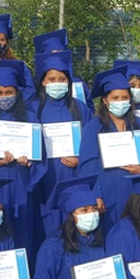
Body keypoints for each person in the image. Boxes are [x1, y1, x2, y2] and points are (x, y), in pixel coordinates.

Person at [79, 66, 140, 232]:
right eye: (115, 98)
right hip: (108, 193)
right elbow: (87, 166)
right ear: (105, 100)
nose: (120, 101)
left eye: (124, 97)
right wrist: (96, 194)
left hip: (137, 192)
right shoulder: (94, 128)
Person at [0, 60, 46, 255]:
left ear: (17, 93)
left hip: (22, 184)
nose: (4, 97)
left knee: (23, 234)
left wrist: (30, 163)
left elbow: (41, 159)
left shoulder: (31, 118)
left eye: (9, 92)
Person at [31, 51, 94, 238]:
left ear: (69, 82)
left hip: (73, 176)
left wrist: (80, 161)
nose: (57, 83)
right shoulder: (33, 108)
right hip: (45, 178)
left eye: (62, 79)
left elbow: (91, 143)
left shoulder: (79, 107)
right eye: (52, 79)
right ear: (43, 82)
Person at [34, 29, 94, 112]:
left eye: (61, 53)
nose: (57, 57)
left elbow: (90, 111)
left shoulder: (78, 85)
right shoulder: (34, 88)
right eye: (52, 54)